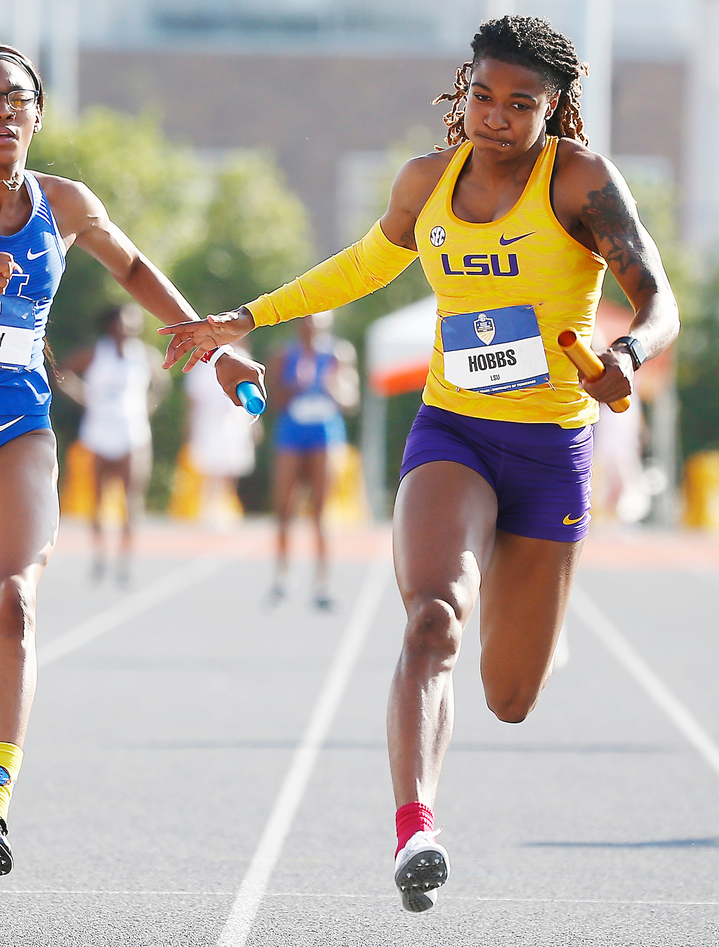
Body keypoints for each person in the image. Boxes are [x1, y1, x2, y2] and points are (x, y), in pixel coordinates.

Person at [159, 16, 677, 912]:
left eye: (522, 105)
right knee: (431, 620)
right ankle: (416, 829)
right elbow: (361, 266)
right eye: (483, 96)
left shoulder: (581, 182)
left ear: (554, 111)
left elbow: (655, 294)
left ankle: (537, 611)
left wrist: (624, 361)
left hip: (552, 447)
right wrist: (244, 318)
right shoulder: (425, 184)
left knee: (511, 694)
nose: (496, 118)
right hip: (455, 433)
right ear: (461, 91)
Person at [0, 45, 264, 876]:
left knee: (14, 606)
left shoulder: (65, 203)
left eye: (20, 97)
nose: (4, 108)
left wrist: (211, 345)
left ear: (39, 115)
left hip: (16, 427)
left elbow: (134, 265)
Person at [55, 303, 165, 586]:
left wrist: (147, 407)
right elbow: (63, 372)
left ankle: (125, 563)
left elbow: (161, 384)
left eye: (135, 320)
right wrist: (83, 396)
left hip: (133, 433)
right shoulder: (94, 353)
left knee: (132, 499)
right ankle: (99, 559)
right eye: (125, 319)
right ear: (112, 323)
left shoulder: (144, 355)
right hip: (99, 431)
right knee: (99, 498)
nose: (130, 325)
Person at [267, 312, 358, 610]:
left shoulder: (338, 354)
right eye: (306, 323)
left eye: (317, 324)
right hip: (292, 433)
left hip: (325, 434)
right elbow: (273, 400)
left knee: (321, 509)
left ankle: (322, 584)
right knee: (284, 507)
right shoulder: (283, 354)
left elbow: (351, 400)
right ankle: (282, 577)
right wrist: (294, 385)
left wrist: (333, 387)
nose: (311, 329)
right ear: (299, 325)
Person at [183, 344, 259, 529]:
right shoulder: (203, 360)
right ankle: (208, 510)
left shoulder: (244, 357)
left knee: (231, 468)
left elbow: (253, 393)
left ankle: (227, 508)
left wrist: (256, 422)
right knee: (210, 468)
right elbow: (194, 398)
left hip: (236, 422)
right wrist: (190, 425)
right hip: (209, 422)